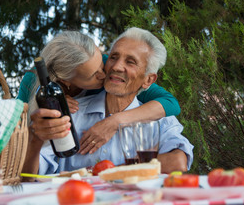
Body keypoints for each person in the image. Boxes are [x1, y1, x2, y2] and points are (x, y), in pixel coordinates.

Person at [23, 27, 193, 175]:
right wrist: (34, 140)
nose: (116, 67)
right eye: (113, 57)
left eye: (131, 62)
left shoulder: (160, 119)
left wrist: (104, 172)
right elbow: (31, 175)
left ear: (148, 80)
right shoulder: (70, 114)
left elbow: (177, 162)